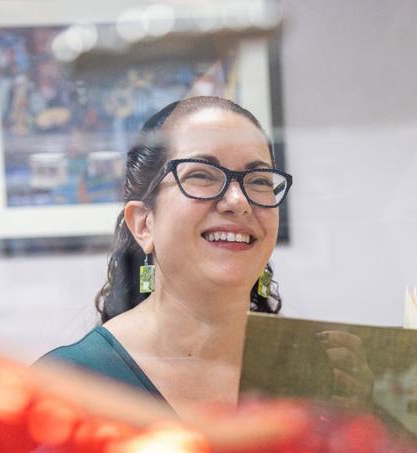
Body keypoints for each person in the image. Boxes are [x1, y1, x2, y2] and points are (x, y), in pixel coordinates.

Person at [38, 96, 291, 422]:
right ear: (144, 223)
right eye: (202, 175)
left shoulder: (310, 370)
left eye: (259, 181)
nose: (237, 201)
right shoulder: (69, 384)